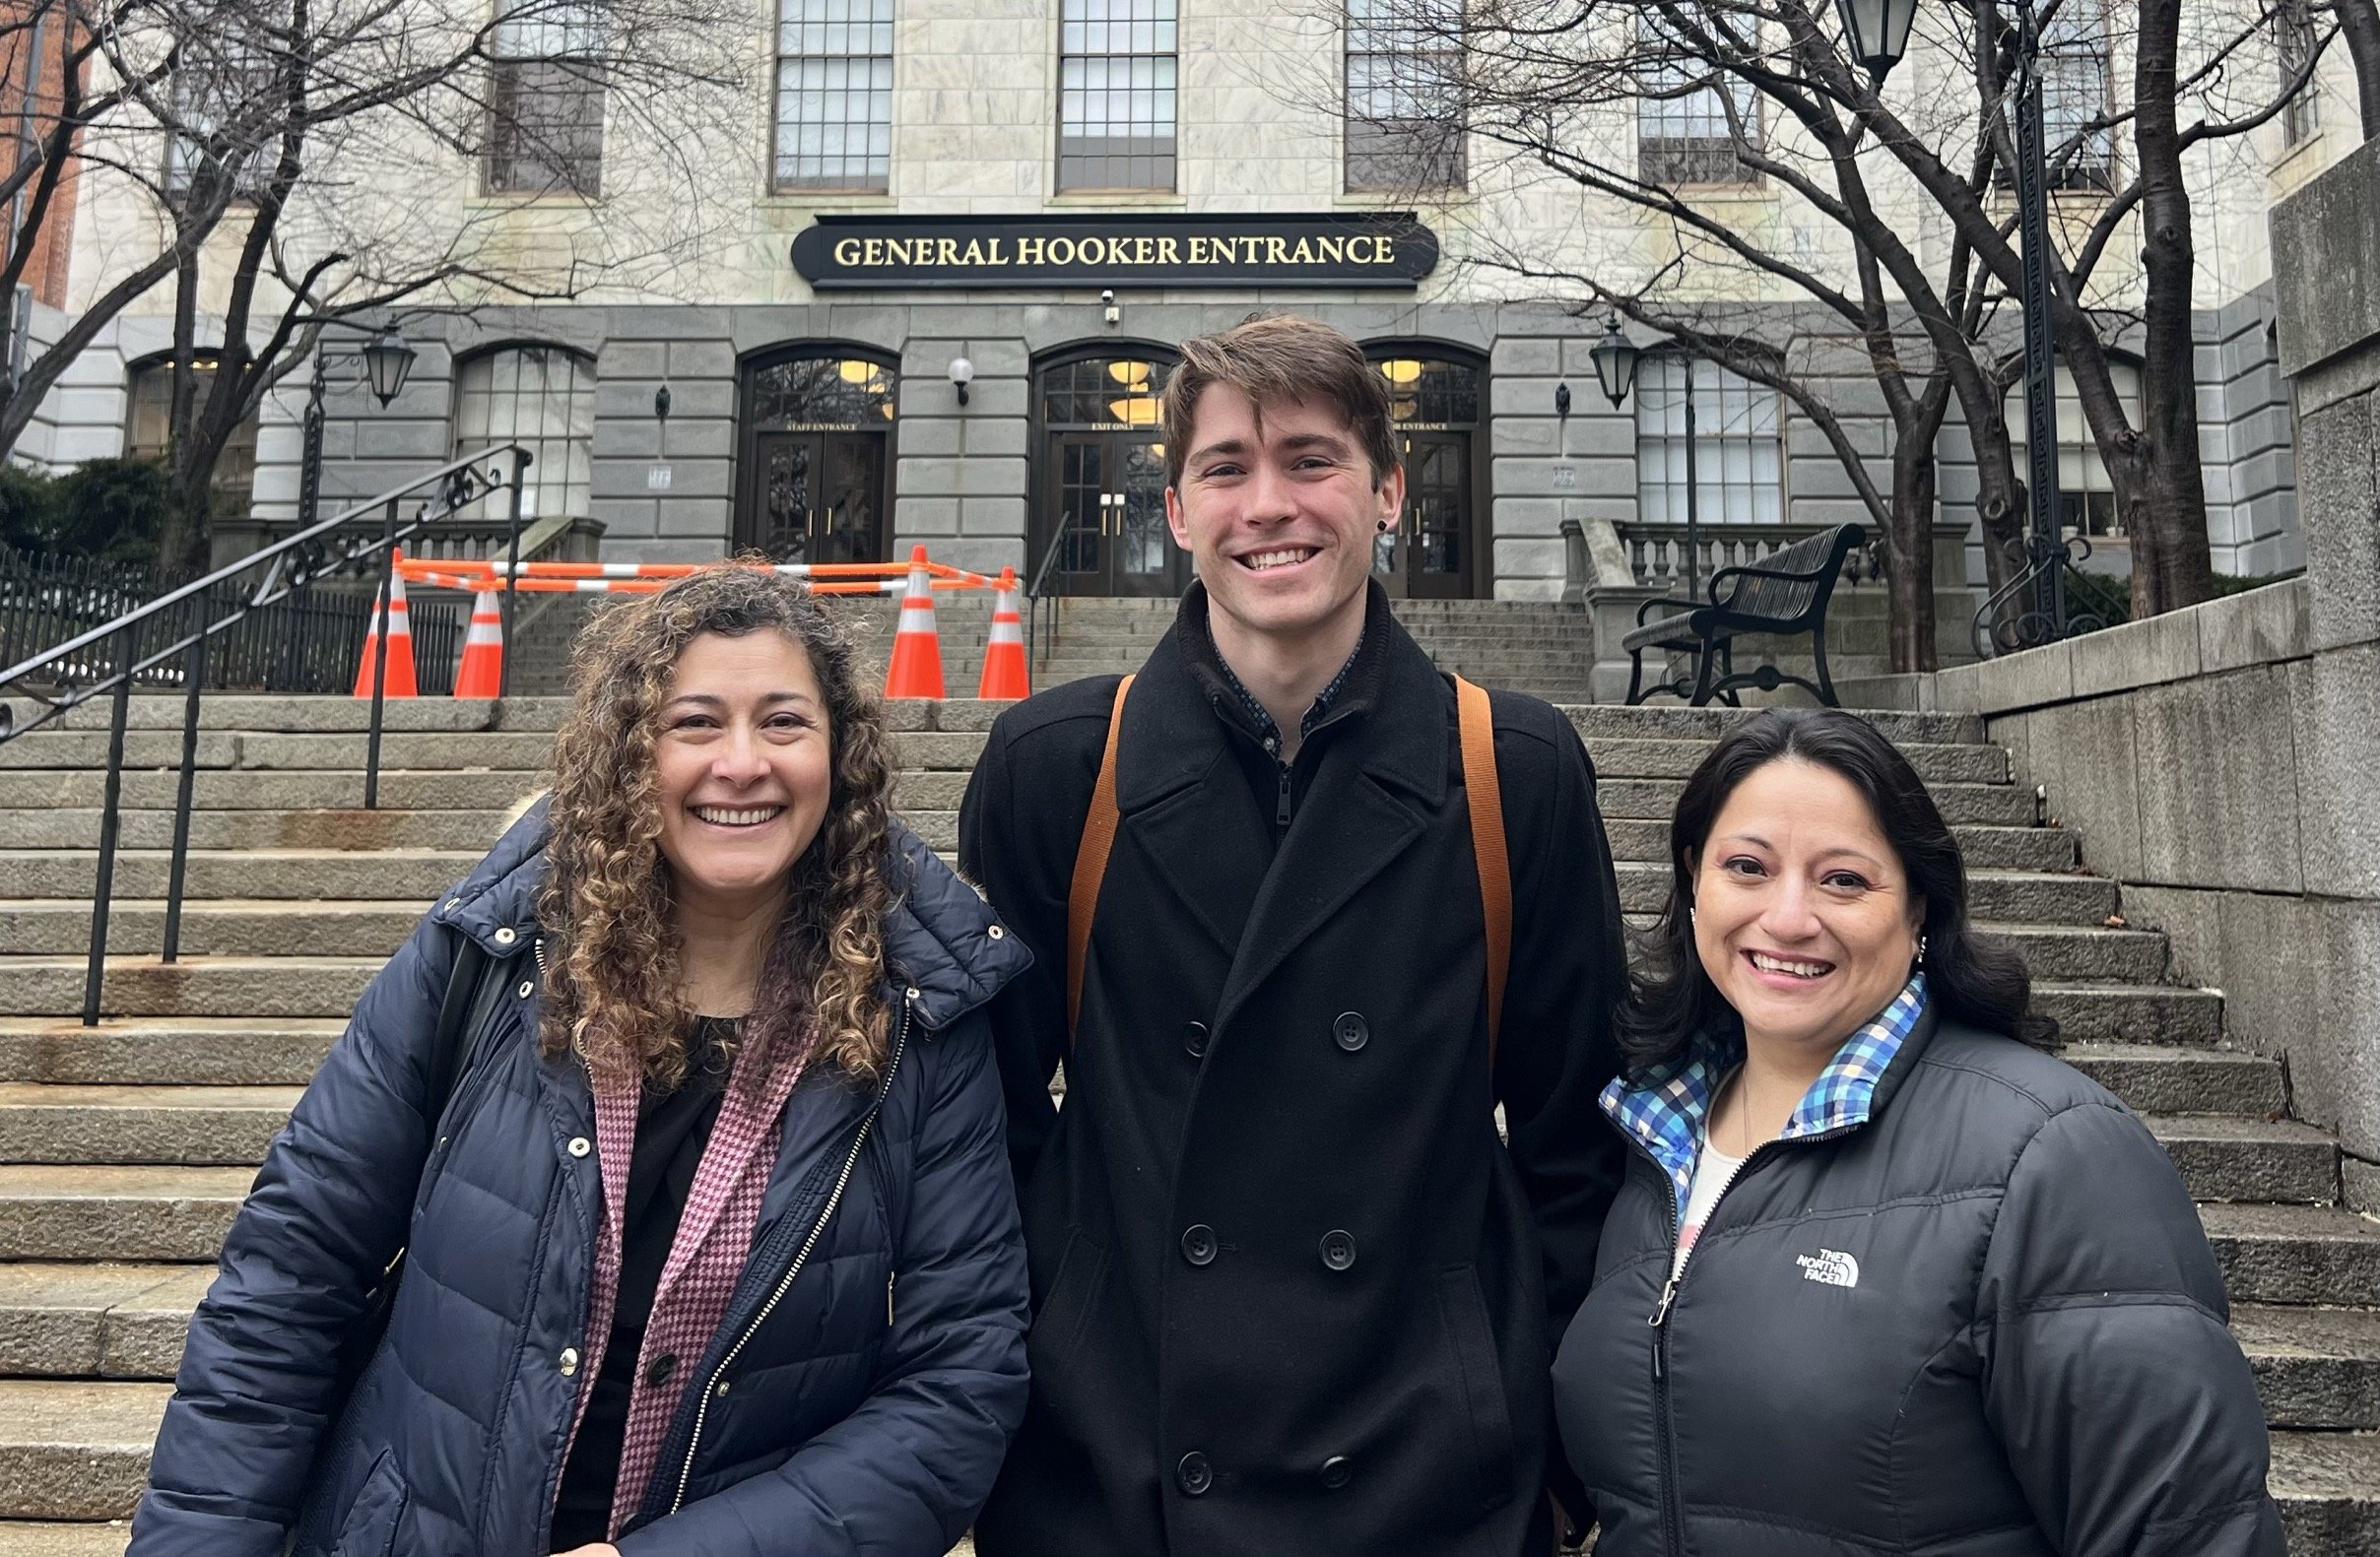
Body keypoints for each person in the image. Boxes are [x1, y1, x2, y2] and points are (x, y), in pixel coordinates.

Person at [130, 566, 1032, 1557]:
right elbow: (290, 1276)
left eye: (784, 722)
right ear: (630, 753)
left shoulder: (922, 1011)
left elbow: (958, 1385)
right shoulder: (492, 949)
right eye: (694, 723)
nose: (743, 763)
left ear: (840, 755)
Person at [959, 313, 1627, 1556]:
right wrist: (1053, 1357)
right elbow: (986, 1128)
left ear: (1384, 492)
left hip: (1426, 1475)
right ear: (1174, 511)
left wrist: (1546, 1441)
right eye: (1226, 469)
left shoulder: (1512, 771)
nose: (1269, 505)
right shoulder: (1052, 770)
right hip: (1119, 1474)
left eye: (1311, 461)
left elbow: (1577, 1141)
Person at [1554, 707, 2283, 1556]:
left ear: (1920, 909)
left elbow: (2186, 1532)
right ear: (1693, 879)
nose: (1788, 918)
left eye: (1844, 880)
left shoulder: (2052, 1155)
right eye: (1747, 866)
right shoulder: (1651, 1143)